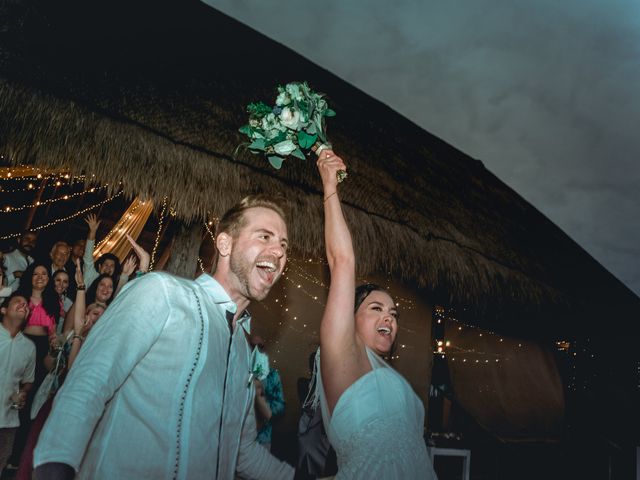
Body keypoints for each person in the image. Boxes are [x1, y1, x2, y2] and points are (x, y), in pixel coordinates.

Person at [34, 195, 294, 480]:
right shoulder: (163, 292)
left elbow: (240, 450)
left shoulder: (244, 351)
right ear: (225, 244)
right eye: (265, 236)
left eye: (283, 245)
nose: (278, 252)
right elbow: (89, 382)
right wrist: (55, 465)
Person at [314, 150, 437, 478]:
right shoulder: (343, 359)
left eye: (394, 314)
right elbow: (343, 261)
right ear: (349, 317)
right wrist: (330, 185)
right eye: (376, 309)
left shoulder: (392, 377)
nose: (390, 319)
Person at [0, 293, 35, 476]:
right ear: (3, 309)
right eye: (18, 302)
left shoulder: (29, 347)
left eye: (26, 304)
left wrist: (23, 393)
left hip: (8, 420)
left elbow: (28, 381)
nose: (24, 305)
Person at [250, 335, 285, 451]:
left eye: (259, 346)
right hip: (236, 439)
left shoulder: (272, 375)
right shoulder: (237, 371)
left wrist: (264, 407)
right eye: (252, 345)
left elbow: (280, 406)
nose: (255, 349)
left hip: (263, 439)